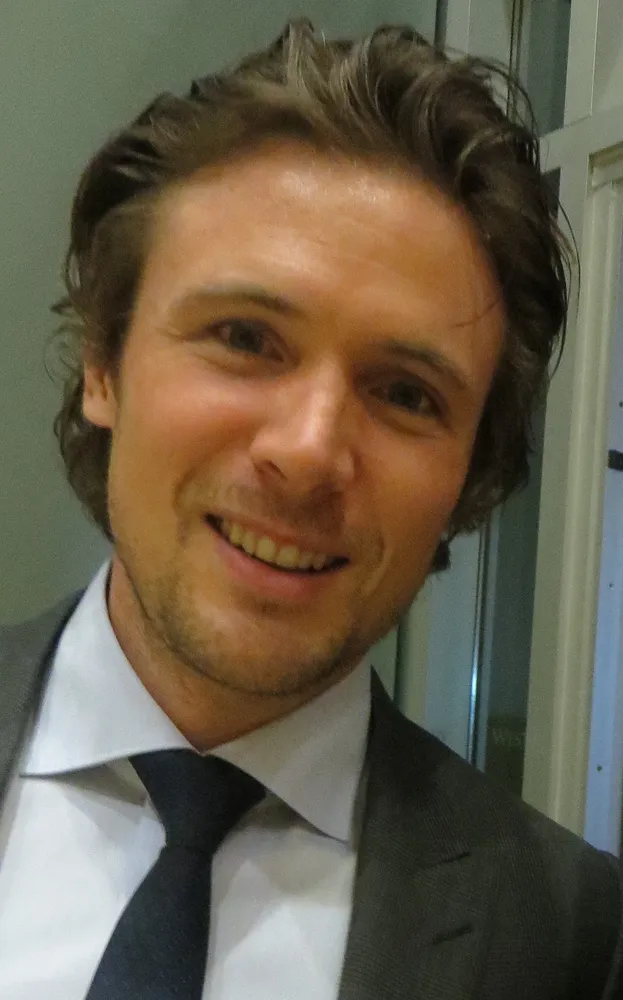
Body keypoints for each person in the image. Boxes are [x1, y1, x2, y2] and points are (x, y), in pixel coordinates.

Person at [0, 19, 620, 1000]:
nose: (307, 451)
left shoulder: (565, 941)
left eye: (406, 393)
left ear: (469, 475)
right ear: (104, 365)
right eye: (244, 337)